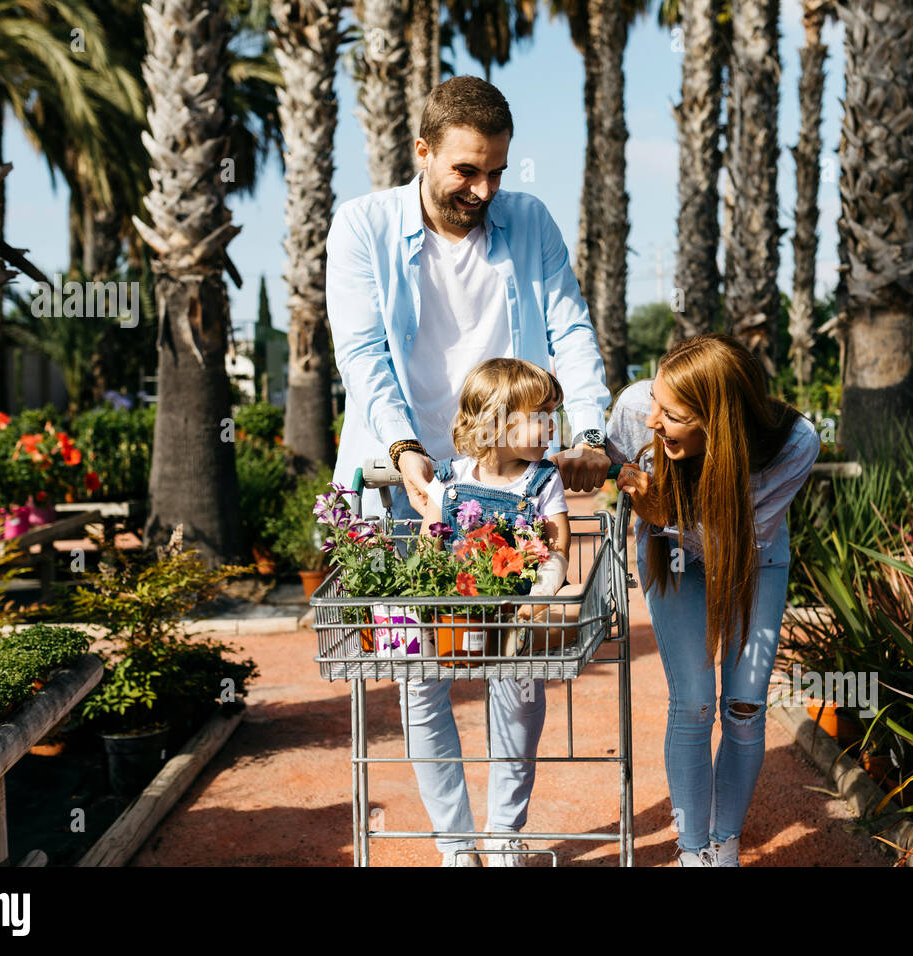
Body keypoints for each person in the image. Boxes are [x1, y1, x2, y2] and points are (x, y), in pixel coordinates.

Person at [325, 76, 613, 866]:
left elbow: (571, 329)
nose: (482, 190)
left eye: (495, 172)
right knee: (418, 672)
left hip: (510, 483)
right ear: (422, 152)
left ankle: (503, 836)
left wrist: (587, 429)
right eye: (465, 171)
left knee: (517, 670)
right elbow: (363, 356)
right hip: (395, 486)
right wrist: (407, 452)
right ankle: (455, 845)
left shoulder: (530, 223)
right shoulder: (361, 226)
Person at [605, 333, 820, 867]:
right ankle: (691, 850)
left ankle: (724, 844)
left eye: (672, 414)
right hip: (669, 554)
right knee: (696, 702)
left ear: (717, 419)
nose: (653, 420)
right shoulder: (636, 408)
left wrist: (665, 513)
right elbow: (611, 461)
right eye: (656, 401)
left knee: (745, 706)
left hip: (752, 555)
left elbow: (737, 541)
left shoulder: (795, 443)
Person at [406, 358, 574, 866]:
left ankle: (504, 832)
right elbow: (431, 542)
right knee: (418, 686)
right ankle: (455, 844)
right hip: (453, 615)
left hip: (512, 619)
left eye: (554, 415)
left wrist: (536, 599)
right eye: (540, 415)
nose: (552, 427)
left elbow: (558, 547)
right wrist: (428, 594)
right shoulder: (450, 477)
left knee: (521, 705)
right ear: (496, 422)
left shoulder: (543, 481)